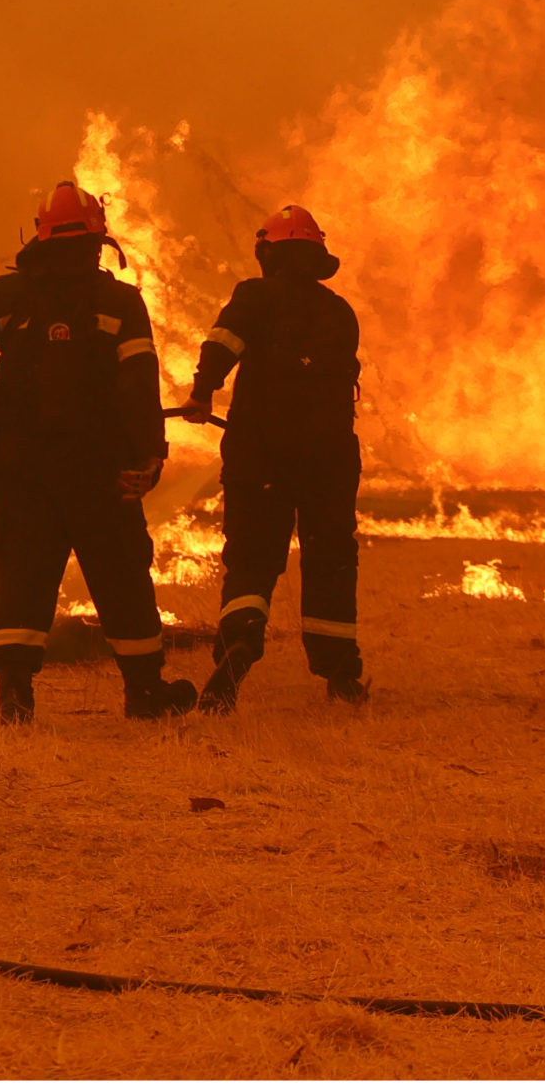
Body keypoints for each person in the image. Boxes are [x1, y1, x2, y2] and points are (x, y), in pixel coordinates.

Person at [0, 181, 197, 725]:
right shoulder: (119, 302)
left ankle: (15, 696)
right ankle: (145, 691)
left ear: (41, 236)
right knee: (122, 573)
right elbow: (137, 385)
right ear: (99, 237)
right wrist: (149, 455)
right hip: (101, 470)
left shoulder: (9, 298)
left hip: (24, 468)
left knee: (20, 573)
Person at [172, 204, 367, 709]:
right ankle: (340, 672)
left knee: (252, 558)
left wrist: (202, 393)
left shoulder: (254, 297)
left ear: (268, 253)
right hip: (329, 459)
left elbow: (223, 342)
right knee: (331, 560)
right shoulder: (339, 311)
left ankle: (240, 640)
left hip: (261, 454)